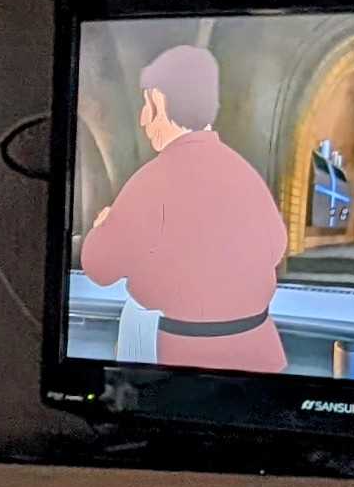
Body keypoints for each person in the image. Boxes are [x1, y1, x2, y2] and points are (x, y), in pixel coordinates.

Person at [76, 42, 289, 372]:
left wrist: (103, 228)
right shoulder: (243, 172)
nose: (144, 121)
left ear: (159, 102)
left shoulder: (152, 181)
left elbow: (98, 266)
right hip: (262, 356)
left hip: (187, 366)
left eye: (146, 106)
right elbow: (276, 247)